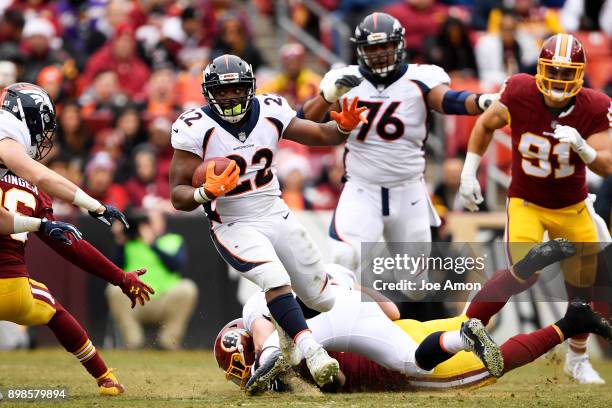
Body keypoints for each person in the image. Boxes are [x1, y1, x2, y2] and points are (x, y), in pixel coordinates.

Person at [169, 54, 367, 388]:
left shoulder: (271, 110)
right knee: (275, 279)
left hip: (275, 212)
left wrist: (344, 127)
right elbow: (177, 194)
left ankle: (282, 334)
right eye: (224, 91)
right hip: (233, 222)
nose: (231, 97)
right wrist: (205, 192)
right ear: (208, 92)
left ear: (250, 88)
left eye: (237, 89)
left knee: (322, 299)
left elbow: (322, 135)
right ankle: (312, 351)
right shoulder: (195, 126)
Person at [215, 251, 612, 393]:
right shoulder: (308, 276)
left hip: (396, 356)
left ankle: (569, 322)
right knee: (466, 318)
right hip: (388, 324)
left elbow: (330, 380)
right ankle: (524, 268)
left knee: (488, 366)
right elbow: (390, 311)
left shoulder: (262, 318)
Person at [459, 33, 612, 384]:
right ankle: (467, 325)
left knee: (582, 283)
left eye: (566, 72)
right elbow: (485, 124)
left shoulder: (594, 105)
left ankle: (577, 358)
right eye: (553, 71)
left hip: (572, 205)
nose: (558, 80)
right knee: (527, 269)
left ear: (579, 74)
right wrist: (469, 173)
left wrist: (584, 150)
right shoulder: (519, 90)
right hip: (527, 201)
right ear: (541, 69)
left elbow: (607, 163)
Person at [301, 12, 498, 275]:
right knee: (343, 258)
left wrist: (482, 101)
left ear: (400, 45)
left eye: (386, 46)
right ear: (360, 50)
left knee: (414, 285)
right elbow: (302, 123)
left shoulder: (421, 78)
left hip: (409, 191)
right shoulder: (346, 79)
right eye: (373, 47)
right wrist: (327, 96)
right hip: (362, 188)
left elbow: (449, 100)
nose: (380, 53)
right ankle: (348, 315)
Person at [0, 168, 154, 396]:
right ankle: (105, 378)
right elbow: (68, 244)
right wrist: (119, 277)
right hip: (13, 289)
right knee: (55, 312)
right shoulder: (31, 185)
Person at [0, 82, 129, 229]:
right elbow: (41, 176)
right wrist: (96, 206)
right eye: (37, 121)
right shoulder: (6, 128)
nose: (41, 133)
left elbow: (2, 220)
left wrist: (41, 225)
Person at [106, 210, 198, 350]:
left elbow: (176, 265)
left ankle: (169, 341)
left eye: (150, 221)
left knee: (188, 288)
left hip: (165, 298)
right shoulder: (129, 242)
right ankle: (134, 342)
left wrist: (153, 243)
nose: (146, 225)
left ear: (162, 222)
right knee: (113, 290)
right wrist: (120, 238)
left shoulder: (172, 239)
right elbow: (113, 268)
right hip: (136, 298)